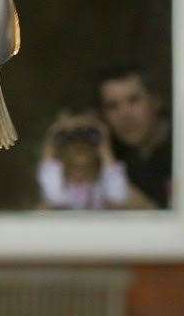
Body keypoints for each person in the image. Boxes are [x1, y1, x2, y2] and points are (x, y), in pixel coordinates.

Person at [96, 64, 172, 209]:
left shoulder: (183, 150)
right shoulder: (113, 153)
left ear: (156, 101)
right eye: (112, 106)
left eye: (134, 100)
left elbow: (160, 222)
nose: (125, 115)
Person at [37, 111, 131, 210]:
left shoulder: (101, 185)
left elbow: (118, 196)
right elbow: (53, 195)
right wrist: (58, 130)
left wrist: (99, 131)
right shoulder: (59, 185)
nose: (79, 148)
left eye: (85, 145)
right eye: (73, 144)